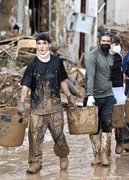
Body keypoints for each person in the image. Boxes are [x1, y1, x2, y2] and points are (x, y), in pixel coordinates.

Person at [17, 32, 75, 174]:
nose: (41, 46)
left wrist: (69, 97)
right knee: (35, 138)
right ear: (36, 45)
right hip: (37, 109)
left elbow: (62, 81)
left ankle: (63, 155)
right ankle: (35, 163)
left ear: (49, 45)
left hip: (55, 107)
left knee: (59, 136)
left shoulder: (57, 62)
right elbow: (25, 85)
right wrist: (21, 102)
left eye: (44, 43)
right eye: (39, 43)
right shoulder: (32, 64)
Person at [85, 30, 115, 166]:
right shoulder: (92, 56)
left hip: (108, 94)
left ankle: (104, 154)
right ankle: (96, 154)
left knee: (106, 121)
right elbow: (90, 76)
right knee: (94, 127)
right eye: (104, 41)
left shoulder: (112, 56)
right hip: (94, 96)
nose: (106, 44)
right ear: (98, 42)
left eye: (108, 42)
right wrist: (90, 94)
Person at [109, 34, 129, 154]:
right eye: (114, 44)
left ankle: (122, 141)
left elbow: (124, 73)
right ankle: (105, 148)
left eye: (118, 44)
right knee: (107, 118)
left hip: (118, 88)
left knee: (121, 116)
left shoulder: (120, 57)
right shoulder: (103, 57)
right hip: (106, 89)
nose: (117, 46)